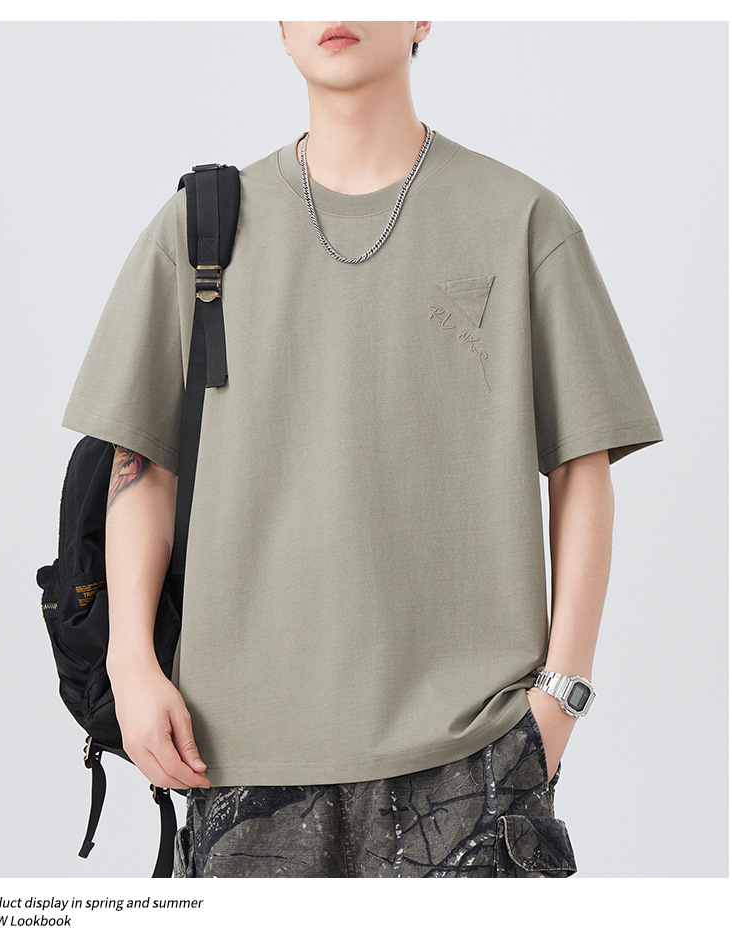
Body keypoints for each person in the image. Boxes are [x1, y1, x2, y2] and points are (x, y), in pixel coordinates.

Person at [62, 21, 664, 878]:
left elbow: (581, 465)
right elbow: (143, 464)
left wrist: (558, 701)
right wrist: (130, 662)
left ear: (422, 17)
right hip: (239, 756)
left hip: (473, 752)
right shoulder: (199, 232)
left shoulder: (522, 220)